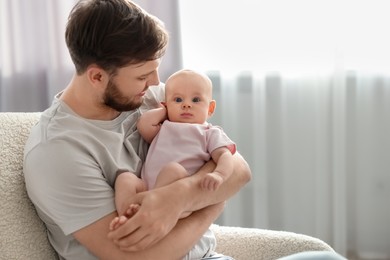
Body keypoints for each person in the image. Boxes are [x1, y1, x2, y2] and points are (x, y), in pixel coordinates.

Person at [23, 0, 251, 259]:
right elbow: (139, 258)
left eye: (155, 71)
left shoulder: (152, 96)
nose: (155, 82)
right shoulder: (57, 152)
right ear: (97, 77)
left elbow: (239, 169)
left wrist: (180, 197)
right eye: (143, 76)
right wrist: (212, 204)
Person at [110, 69, 237, 259]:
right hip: (147, 188)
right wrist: (164, 111)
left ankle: (150, 210)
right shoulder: (164, 127)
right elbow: (144, 125)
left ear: (210, 109)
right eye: (178, 100)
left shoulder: (209, 133)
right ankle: (128, 215)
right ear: (166, 105)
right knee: (125, 178)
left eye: (195, 100)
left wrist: (219, 175)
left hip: (179, 200)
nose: (186, 105)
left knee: (173, 169)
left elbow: (225, 156)